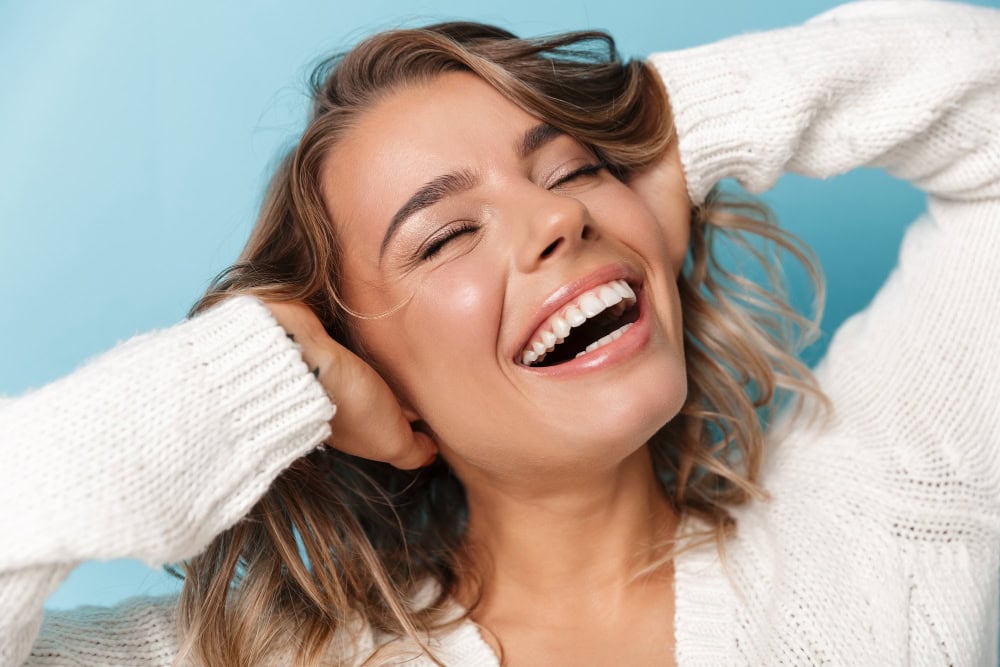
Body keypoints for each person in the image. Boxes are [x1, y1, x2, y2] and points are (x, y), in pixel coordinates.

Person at [2, 0, 998, 664]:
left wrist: (670, 118)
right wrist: (257, 373)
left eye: (572, 169)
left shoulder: (885, 513)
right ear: (363, 368)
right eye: (443, 238)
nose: (557, 219)